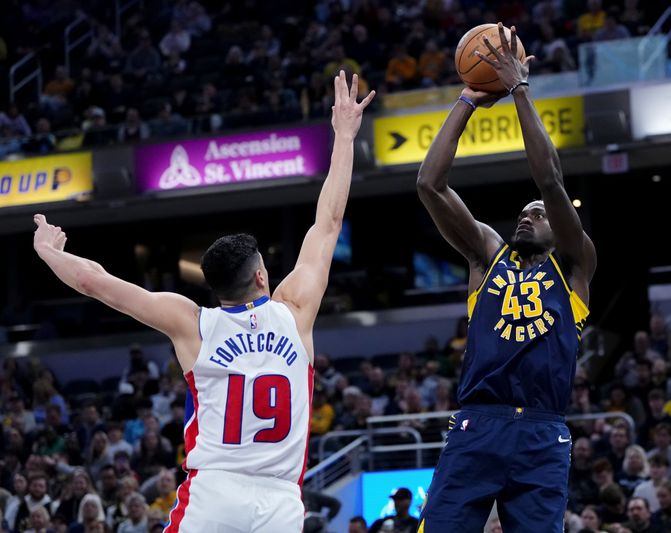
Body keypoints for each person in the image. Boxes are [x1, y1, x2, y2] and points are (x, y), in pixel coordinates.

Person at [32, 71, 375, 533]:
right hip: (279, 500)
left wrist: (49, 251)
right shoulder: (296, 310)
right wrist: (344, 135)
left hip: (215, 494)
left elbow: (98, 283)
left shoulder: (192, 323)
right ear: (260, 274)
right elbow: (329, 221)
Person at [416, 23, 596, 533]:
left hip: (543, 429)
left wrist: (519, 88)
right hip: (479, 422)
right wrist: (468, 100)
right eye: (521, 212)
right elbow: (430, 183)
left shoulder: (574, 265)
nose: (526, 215)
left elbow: (550, 180)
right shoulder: (486, 257)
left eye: (537, 214)